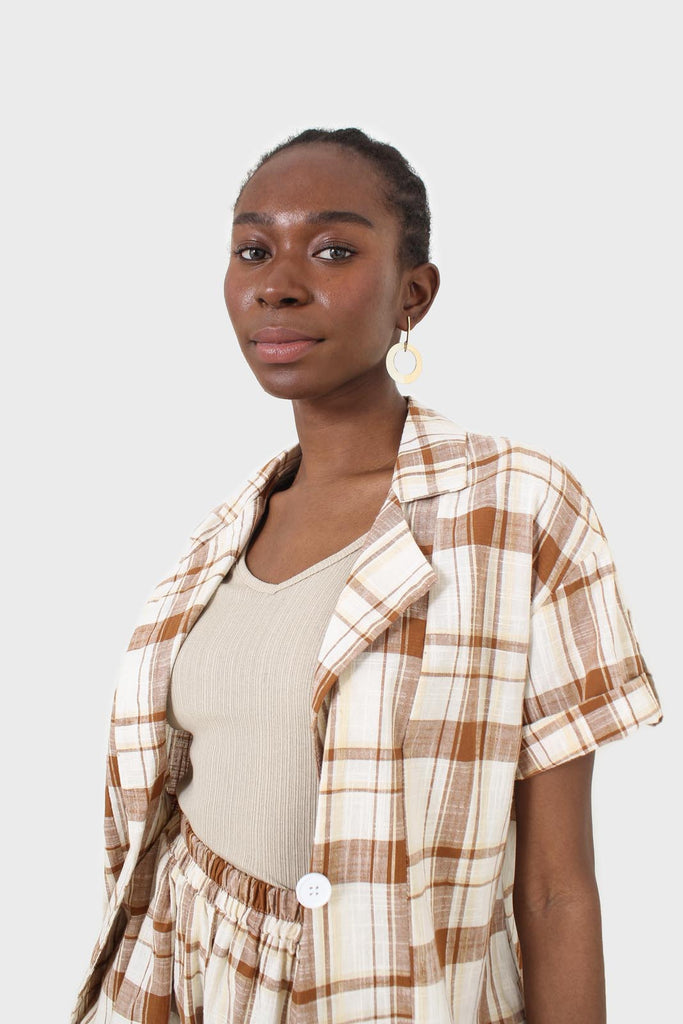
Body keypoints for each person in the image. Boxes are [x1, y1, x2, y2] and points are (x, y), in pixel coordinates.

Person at [71, 127, 663, 1024]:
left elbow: (554, 889)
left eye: (333, 250)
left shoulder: (517, 509)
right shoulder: (211, 547)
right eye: (253, 250)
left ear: (412, 295)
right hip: (190, 985)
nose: (277, 283)